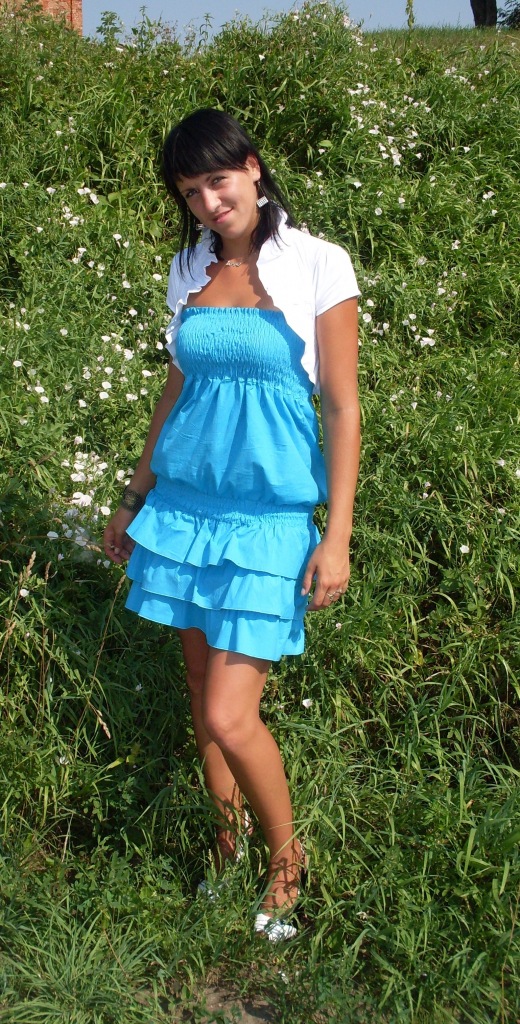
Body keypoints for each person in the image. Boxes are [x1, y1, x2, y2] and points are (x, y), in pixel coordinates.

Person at [103, 108, 360, 942]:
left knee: (228, 713)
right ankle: (226, 844)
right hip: (185, 509)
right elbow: (176, 389)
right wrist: (134, 497)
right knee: (196, 692)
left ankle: (288, 864)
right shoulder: (189, 268)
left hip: (269, 519)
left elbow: (342, 408)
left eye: (218, 180)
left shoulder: (318, 263)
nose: (209, 202)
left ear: (252, 167)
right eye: (190, 192)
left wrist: (336, 535)